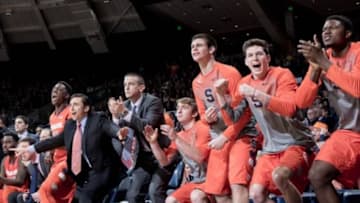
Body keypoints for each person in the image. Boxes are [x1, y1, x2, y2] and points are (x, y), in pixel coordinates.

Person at [220, 38, 315, 203]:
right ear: (246, 62)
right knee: (256, 194)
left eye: (259, 54)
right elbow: (233, 119)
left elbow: (290, 109)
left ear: (268, 58)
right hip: (269, 148)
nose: (255, 58)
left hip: (295, 142)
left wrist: (256, 93)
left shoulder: (282, 74)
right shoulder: (244, 82)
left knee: (280, 177)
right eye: (250, 55)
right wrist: (221, 95)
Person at [16, 93, 125, 203]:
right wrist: (32, 149)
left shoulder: (98, 119)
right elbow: (55, 140)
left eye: (76, 105)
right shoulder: (70, 125)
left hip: (103, 171)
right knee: (65, 194)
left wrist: (119, 133)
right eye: (71, 105)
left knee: (85, 197)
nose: (71, 108)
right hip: (82, 174)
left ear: (86, 108)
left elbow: (110, 127)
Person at [297, 15, 360, 203]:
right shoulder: (322, 58)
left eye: (333, 27)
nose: (326, 31)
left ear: (347, 34)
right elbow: (302, 102)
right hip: (349, 131)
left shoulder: (358, 51)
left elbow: (357, 88)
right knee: (317, 175)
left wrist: (324, 63)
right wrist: (316, 67)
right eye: (324, 28)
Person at [190, 33, 251, 203]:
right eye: (192, 46)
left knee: (237, 184)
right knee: (218, 192)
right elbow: (202, 115)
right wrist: (206, 119)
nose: (194, 48)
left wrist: (225, 137)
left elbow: (244, 113)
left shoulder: (229, 72)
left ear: (212, 49)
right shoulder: (196, 82)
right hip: (218, 136)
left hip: (239, 135)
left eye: (199, 45)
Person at [110, 73, 172, 203]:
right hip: (140, 158)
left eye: (130, 84)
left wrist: (125, 113)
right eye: (125, 85)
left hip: (159, 155)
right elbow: (119, 128)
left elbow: (147, 126)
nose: (126, 88)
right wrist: (115, 116)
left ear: (141, 87)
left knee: (154, 192)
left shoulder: (153, 101)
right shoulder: (125, 105)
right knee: (132, 196)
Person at [143, 97, 211, 203]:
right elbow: (164, 162)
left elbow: (200, 157)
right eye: (178, 107)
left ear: (194, 114)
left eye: (184, 108)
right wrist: (153, 143)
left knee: (196, 196)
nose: (178, 111)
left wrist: (176, 138)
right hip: (196, 182)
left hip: (211, 178)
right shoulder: (178, 135)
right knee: (170, 200)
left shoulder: (202, 127)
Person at [37, 81, 76, 203]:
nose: (54, 91)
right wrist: (50, 151)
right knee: (57, 196)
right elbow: (55, 138)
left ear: (66, 96)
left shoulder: (70, 112)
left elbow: (68, 138)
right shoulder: (52, 117)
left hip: (68, 160)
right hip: (56, 160)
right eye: (53, 89)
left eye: (58, 89)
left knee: (44, 191)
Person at [0, 132, 29, 203]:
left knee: (7, 189)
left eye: (8, 142)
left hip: (21, 191)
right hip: (7, 190)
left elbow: (20, 181)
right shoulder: (4, 160)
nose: (4, 145)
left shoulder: (21, 158)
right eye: (3, 143)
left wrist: (1, 179)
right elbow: (1, 182)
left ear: (16, 144)